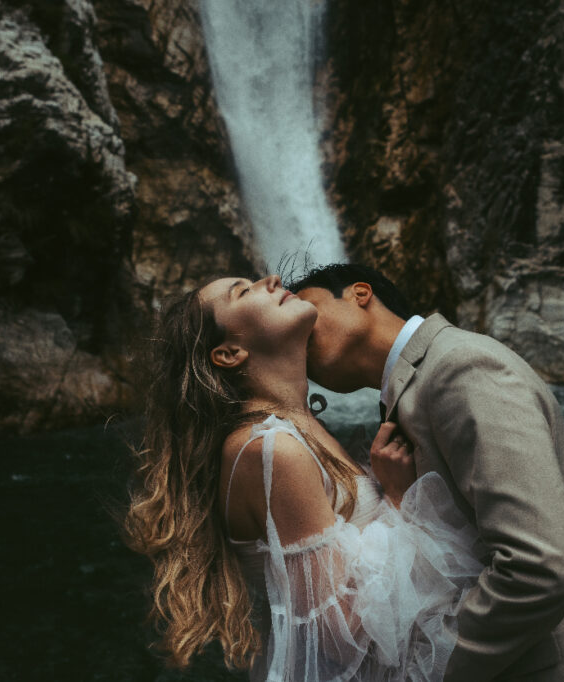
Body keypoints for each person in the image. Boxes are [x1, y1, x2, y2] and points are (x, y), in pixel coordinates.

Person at [290, 264, 564, 681]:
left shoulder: (461, 366)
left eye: (307, 309)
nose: (297, 331)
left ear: (360, 293)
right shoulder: (422, 383)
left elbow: (544, 567)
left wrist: (434, 663)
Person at [123, 274, 484, 681]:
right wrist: (399, 500)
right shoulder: (271, 449)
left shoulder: (296, 429)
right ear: (229, 353)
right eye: (243, 291)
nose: (271, 278)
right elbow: (339, 632)